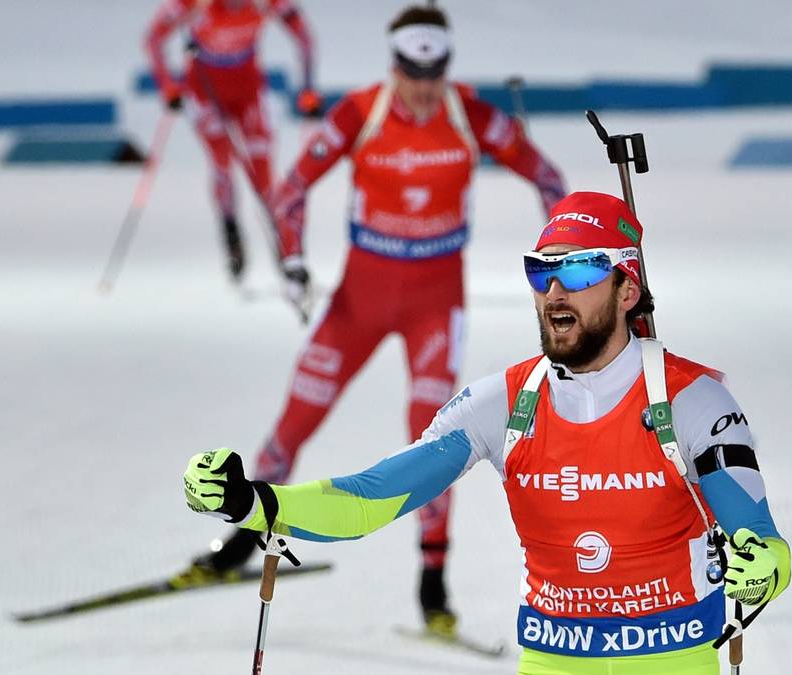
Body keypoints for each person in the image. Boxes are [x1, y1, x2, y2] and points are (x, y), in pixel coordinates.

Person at [183, 191, 792, 674]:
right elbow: (371, 498)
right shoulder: (503, 403)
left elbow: (761, 540)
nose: (554, 293)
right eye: (541, 272)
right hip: (553, 660)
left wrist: (760, 563)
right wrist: (255, 501)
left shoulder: (690, 399)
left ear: (626, 287)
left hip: (673, 660)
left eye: (579, 273)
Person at [177, 3, 566, 636]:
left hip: (435, 302)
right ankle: (241, 541)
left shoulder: (471, 113)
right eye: (412, 72)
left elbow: (549, 178)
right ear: (394, 65)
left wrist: (555, 262)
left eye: (434, 71)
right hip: (360, 297)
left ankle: (432, 584)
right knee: (297, 417)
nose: (422, 88)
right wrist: (295, 261)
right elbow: (291, 187)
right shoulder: (363, 110)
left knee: (436, 441)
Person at [144, 0, 319, 283]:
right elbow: (153, 37)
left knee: (262, 172)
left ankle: (286, 248)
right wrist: (167, 86)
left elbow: (304, 36)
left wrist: (309, 88)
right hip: (206, 93)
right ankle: (231, 233)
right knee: (222, 161)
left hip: (248, 92)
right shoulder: (196, 4)